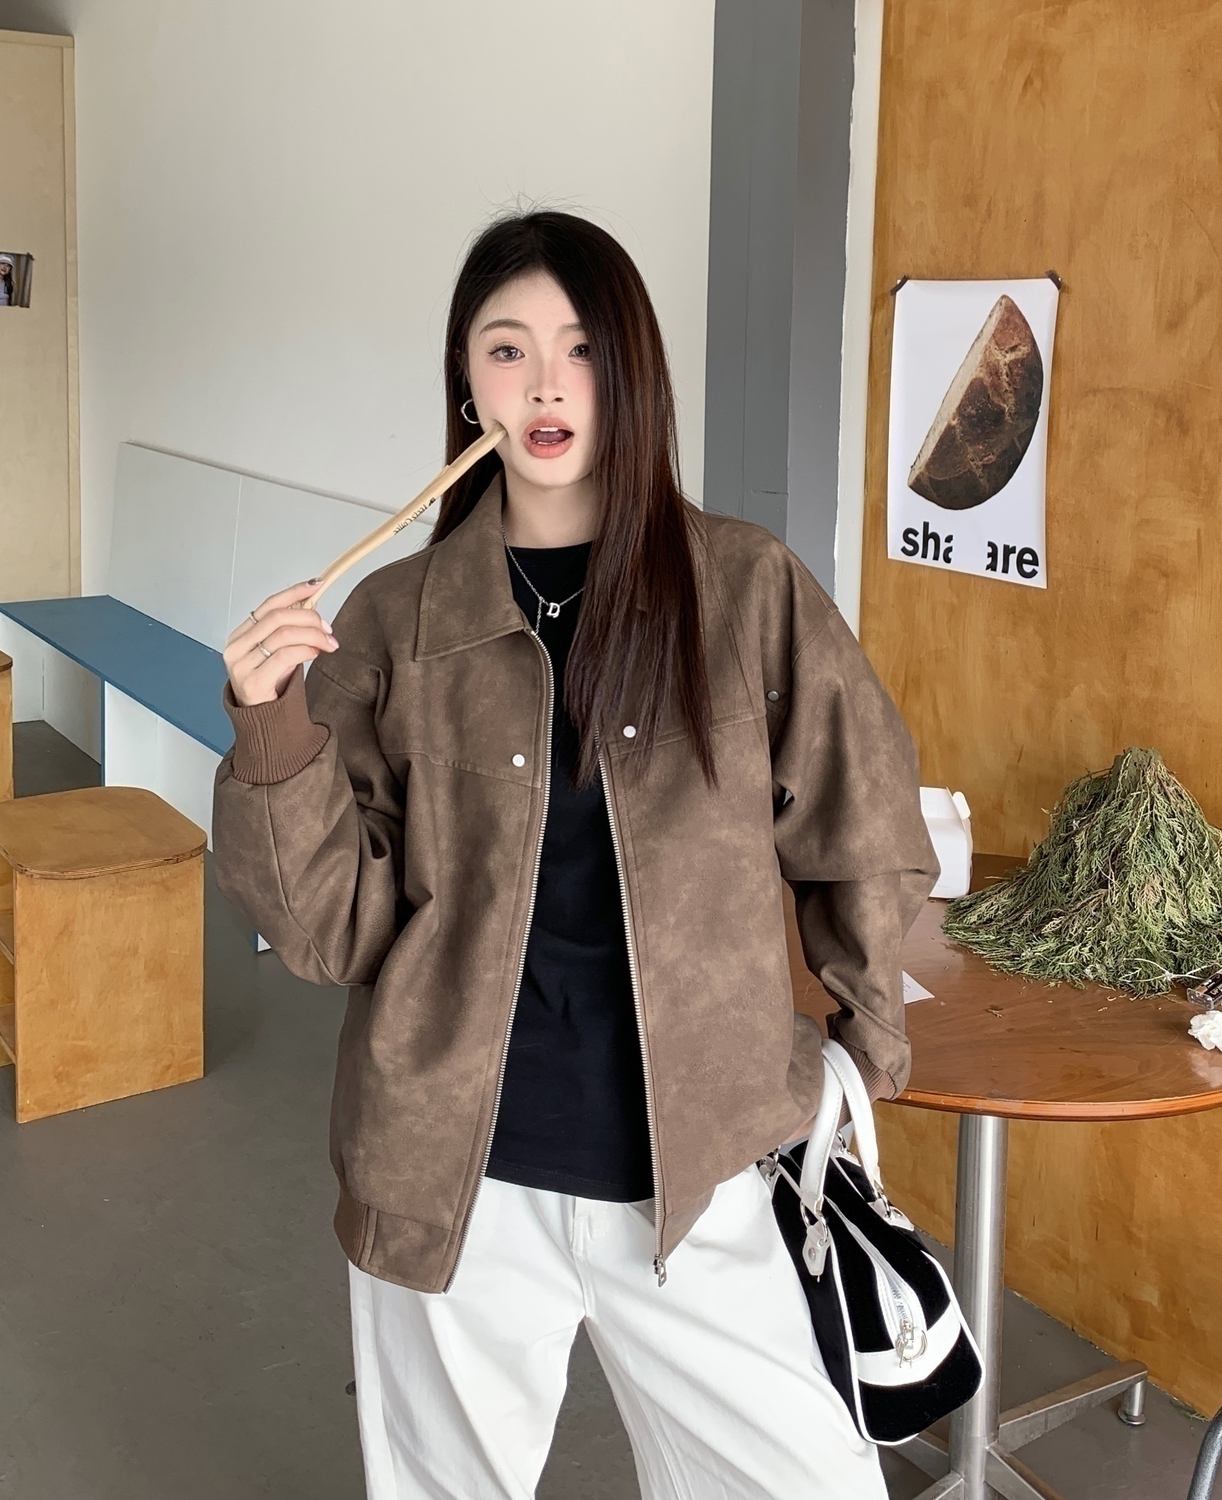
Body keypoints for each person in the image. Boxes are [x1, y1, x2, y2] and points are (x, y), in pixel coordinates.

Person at [213, 210, 936, 1500]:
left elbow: (864, 823)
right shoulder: (392, 617)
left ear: (632, 372)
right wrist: (272, 734)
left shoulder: (745, 588)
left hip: (707, 1167)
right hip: (452, 1173)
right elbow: (332, 933)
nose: (546, 385)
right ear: (468, 384)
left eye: (584, 348)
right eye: (507, 350)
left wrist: (861, 1051)